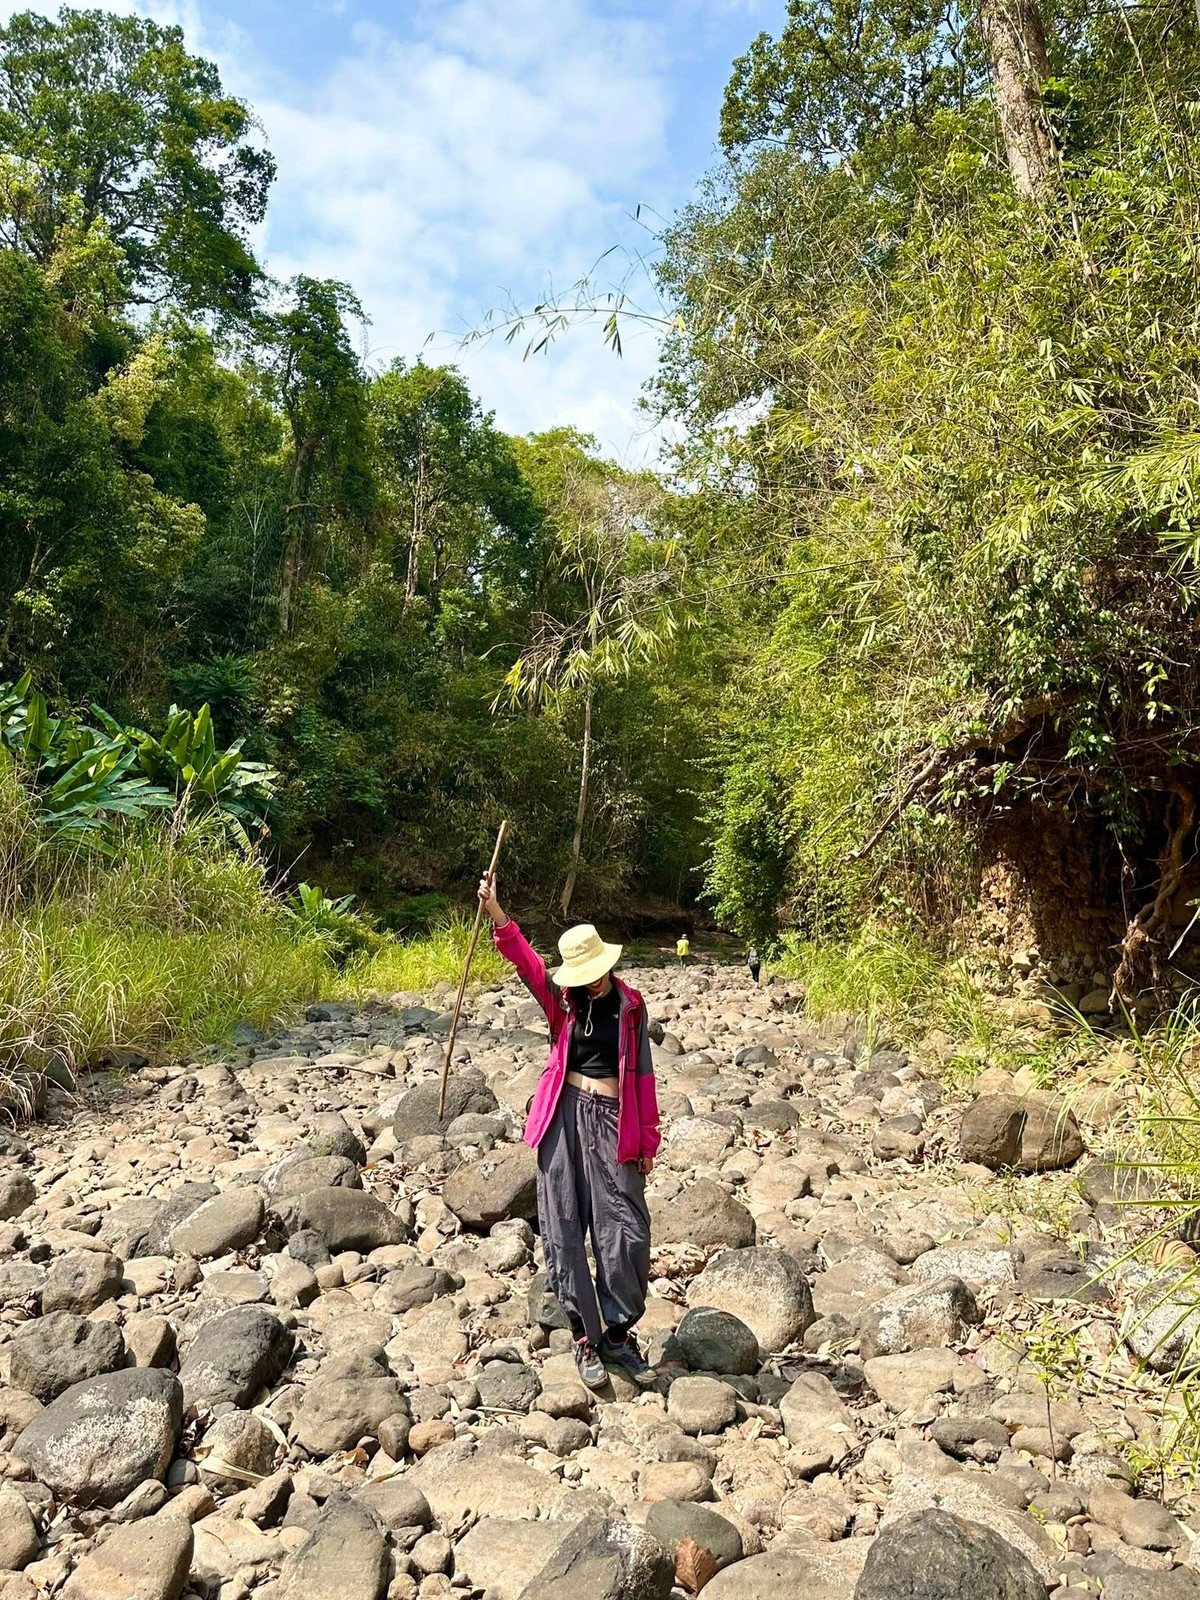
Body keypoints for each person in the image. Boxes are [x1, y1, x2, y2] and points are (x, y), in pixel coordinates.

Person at [479, 875, 661, 1391]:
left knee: (625, 1227)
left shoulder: (631, 1006)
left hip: (612, 1121)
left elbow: (643, 1074)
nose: (595, 981)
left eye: (599, 971)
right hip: (561, 1116)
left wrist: (647, 1139)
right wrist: (496, 910)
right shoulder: (563, 1001)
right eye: (586, 975)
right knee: (562, 1223)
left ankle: (617, 1333)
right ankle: (584, 1333)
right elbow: (526, 963)